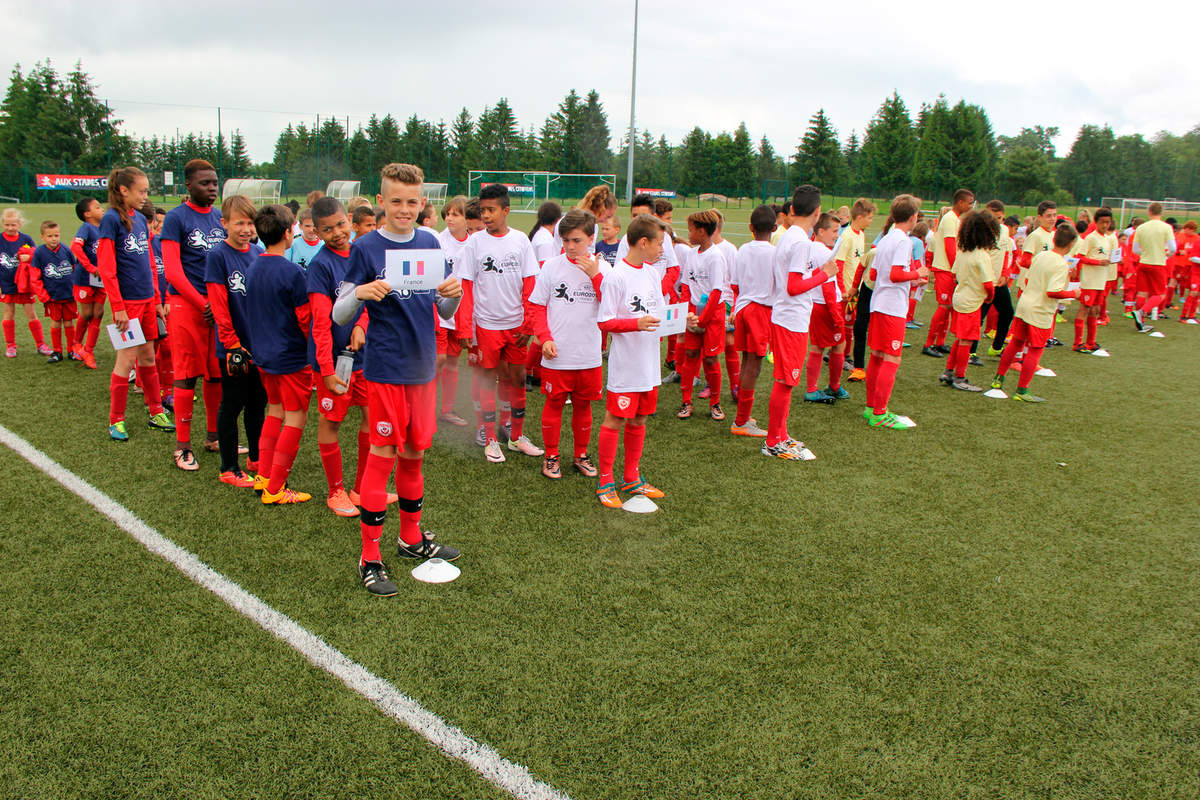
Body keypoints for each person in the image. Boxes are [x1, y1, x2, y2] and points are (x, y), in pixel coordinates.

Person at [332, 162, 464, 597]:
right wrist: (360, 293)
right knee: (383, 454)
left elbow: (443, 312)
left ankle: (410, 539)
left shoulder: (429, 242)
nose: (404, 209)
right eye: (396, 201)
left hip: (423, 368)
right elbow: (339, 313)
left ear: (422, 203)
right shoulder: (367, 247)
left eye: (412, 202)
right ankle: (370, 556)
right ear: (381, 201)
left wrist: (454, 296)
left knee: (414, 453)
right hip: (387, 370)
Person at [455, 183, 543, 462]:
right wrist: (465, 326)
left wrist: (528, 326)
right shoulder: (474, 243)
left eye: (491, 210)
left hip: (516, 326)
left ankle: (515, 437)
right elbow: (465, 287)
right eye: (483, 211)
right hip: (486, 326)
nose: (486, 216)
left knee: (515, 379)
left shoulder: (520, 241)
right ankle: (490, 438)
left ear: (506, 210)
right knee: (487, 380)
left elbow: (531, 285)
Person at [593, 214, 670, 507]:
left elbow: (660, 313)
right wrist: (635, 324)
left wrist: (679, 319)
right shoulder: (616, 276)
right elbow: (605, 322)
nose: (662, 249)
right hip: (625, 365)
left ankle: (632, 477)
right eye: (659, 243)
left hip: (649, 363)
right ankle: (605, 480)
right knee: (615, 418)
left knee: (640, 418)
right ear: (643, 242)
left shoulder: (651, 273)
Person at [95, 167, 174, 441]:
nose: (145, 196)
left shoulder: (140, 219)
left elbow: (150, 263)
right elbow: (106, 267)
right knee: (126, 360)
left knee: (148, 357)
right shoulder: (110, 220)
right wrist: (117, 306)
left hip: (147, 302)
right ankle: (115, 420)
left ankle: (155, 411)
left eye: (146, 191)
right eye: (141, 191)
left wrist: (156, 299)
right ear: (123, 190)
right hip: (126, 305)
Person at [529, 209, 606, 479]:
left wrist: (596, 276)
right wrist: (544, 338)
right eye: (565, 241)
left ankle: (581, 455)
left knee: (584, 405)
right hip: (557, 354)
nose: (571, 247)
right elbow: (536, 307)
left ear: (591, 238)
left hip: (588, 354)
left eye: (577, 241)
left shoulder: (604, 268)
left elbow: (610, 308)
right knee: (554, 404)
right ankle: (551, 456)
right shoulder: (551, 267)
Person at [308, 196, 371, 517]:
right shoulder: (320, 266)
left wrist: (361, 325)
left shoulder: (360, 253)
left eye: (341, 225)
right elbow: (320, 324)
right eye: (327, 229)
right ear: (317, 232)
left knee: (372, 415)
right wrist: (328, 370)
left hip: (363, 358)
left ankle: (361, 488)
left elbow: (368, 299)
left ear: (349, 219)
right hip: (333, 362)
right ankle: (336, 491)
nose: (336, 233)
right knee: (331, 421)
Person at [245, 204, 312, 505]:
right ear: (288, 233)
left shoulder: (254, 265)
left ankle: (263, 476)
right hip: (291, 356)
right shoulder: (293, 272)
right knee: (295, 417)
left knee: (274, 410)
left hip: (263, 354)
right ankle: (276, 488)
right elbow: (304, 319)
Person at [161, 158, 225, 471]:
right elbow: (172, 271)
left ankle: (213, 437)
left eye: (214, 183)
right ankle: (182, 446)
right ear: (188, 185)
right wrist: (203, 303)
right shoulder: (176, 218)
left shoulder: (218, 217)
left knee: (215, 374)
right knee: (186, 375)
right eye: (204, 183)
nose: (212, 188)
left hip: (216, 308)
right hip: (187, 307)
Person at [763, 186, 832, 458]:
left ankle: (780, 435)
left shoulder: (790, 235)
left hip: (787, 317)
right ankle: (773, 441)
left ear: (791, 210)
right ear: (817, 213)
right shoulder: (801, 242)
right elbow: (794, 286)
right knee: (785, 381)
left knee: (786, 380)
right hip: (791, 319)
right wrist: (824, 274)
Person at [205, 194, 266, 489]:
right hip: (233, 348)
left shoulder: (257, 253)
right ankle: (229, 466)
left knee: (258, 403)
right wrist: (230, 344)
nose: (246, 229)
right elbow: (218, 304)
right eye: (239, 222)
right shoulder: (218, 256)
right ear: (224, 223)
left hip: (257, 345)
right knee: (232, 404)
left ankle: (256, 459)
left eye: (250, 222)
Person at [991, 224, 1079, 402]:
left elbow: (1030, 277)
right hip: (1040, 310)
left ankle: (998, 380)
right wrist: (1073, 293)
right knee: (1035, 349)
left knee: (1016, 343)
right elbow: (1052, 292)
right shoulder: (1061, 263)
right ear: (1072, 244)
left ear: (1053, 240)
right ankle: (1022, 391)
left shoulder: (1041, 255)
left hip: (1025, 304)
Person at [865, 195, 929, 429]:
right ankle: (880, 413)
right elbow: (894, 275)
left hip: (880, 303)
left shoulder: (885, 239)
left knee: (878, 356)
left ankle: (871, 407)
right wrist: (917, 274)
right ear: (913, 217)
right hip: (893, 308)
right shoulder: (903, 241)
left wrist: (911, 281)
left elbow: (874, 275)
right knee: (892, 357)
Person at [676, 210, 728, 421]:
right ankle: (686, 401)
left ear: (702, 231)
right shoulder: (691, 254)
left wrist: (703, 320)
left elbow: (717, 292)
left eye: (690, 229)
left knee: (710, 358)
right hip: (694, 314)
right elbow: (686, 286)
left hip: (712, 316)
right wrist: (689, 315)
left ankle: (715, 403)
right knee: (690, 356)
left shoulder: (716, 257)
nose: (688, 234)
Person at [729, 205, 777, 437]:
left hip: (743, 308)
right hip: (760, 311)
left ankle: (743, 415)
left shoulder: (743, 250)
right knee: (753, 365)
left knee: (747, 361)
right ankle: (741, 421)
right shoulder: (775, 253)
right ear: (775, 228)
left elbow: (735, 284)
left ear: (750, 227)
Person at [938, 210, 996, 391]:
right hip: (971, 303)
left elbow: (955, 273)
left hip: (960, 298)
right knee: (967, 340)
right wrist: (990, 297)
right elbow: (988, 284)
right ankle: (960, 378)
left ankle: (948, 371)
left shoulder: (963, 252)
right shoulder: (982, 256)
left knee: (960, 338)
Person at [923, 188, 974, 357]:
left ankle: (940, 342)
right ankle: (929, 343)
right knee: (944, 306)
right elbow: (950, 246)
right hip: (945, 269)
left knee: (949, 306)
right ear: (960, 202)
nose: (971, 205)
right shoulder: (951, 219)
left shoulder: (955, 219)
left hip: (949, 269)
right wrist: (956, 268)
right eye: (969, 202)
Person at [435, 196, 471, 427]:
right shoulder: (437, 241)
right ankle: (424, 408)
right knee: (436, 361)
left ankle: (446, 409)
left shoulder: (474, 243)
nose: (449, 218)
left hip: (461, 313)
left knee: (451, 363)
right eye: (447, 213)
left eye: (456, 214)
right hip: (438, 311)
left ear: (467, 218)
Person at [0, 208, 48, 358]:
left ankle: (41, 344)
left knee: (31, 314)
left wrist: (30, 257)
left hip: (24, 284)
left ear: (19, 224)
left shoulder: (26, 239)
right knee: (8, 313)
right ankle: (11, 346)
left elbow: (36, 255)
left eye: (13, 225)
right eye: (7, 225)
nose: (10, 228)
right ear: (2, 224)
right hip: (6, 283)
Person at [29, 220, 78, 363]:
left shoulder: (66, 250)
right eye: (49, 236)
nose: (54, 239)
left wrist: (76, 289)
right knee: (55, 322)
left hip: (69, 295)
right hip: (52, 297)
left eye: (56, 235)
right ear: (42, 237)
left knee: (69, 322)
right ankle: (57, 351)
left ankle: (71, 350)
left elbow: (74, 270)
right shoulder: (39, 253)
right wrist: (43, 295)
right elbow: (35, 277)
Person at [1071, 207, 1115, 352]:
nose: (1105, 225)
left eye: (1108, 222)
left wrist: (1113, 260)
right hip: (1090, 280)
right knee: (1084, 308)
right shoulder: (1090, 238)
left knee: (1095, 310)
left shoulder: (1107, 239)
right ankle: (1077, 343)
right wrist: (1097, 262)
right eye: (1102, 222)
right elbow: (1079, 257)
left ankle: (1091, 342)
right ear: (1096, 222)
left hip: (1101, 281)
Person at [1131, 202, 1176, 330]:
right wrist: (1166, 255)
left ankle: (1140, 322)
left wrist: (1145, 252)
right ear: (1161, 213)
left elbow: (1135, 249)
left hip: (1143, 263)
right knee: (1160, 294)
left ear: (1149, 212)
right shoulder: (1166, 227)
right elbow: (1173, 248)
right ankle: (1141, 313)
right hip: (1158, 264)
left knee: (1142, 293)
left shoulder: (1141, 227)